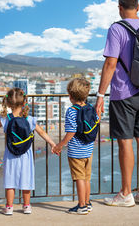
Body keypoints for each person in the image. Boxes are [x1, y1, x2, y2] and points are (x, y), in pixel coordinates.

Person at [95, 0, 139, 207]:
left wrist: (101, 94)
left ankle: (126, 193)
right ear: (137, 7)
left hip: (123, 94)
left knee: (125, 143)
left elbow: (110, 63)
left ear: (120, 8)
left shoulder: (117, 29)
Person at [0, 88, 57, 215]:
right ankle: (26, 206)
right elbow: (42, 133)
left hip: (10, 155)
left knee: (10, 180)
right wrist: (53, 144)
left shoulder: (6, 119)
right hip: (26, 155)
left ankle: (9, 207)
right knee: (26, 179)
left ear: (8, 104)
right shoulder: (30, 119)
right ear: (24, 102)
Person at [53, 78, 94, 215]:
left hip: (76, 151)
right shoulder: (90, 108)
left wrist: (60, 145)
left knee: (79, 178)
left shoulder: (71, 111)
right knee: (86, 178)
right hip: (89, 149)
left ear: (70, 96)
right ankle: (87, 203)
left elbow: (71, 132)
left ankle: (81, 206)